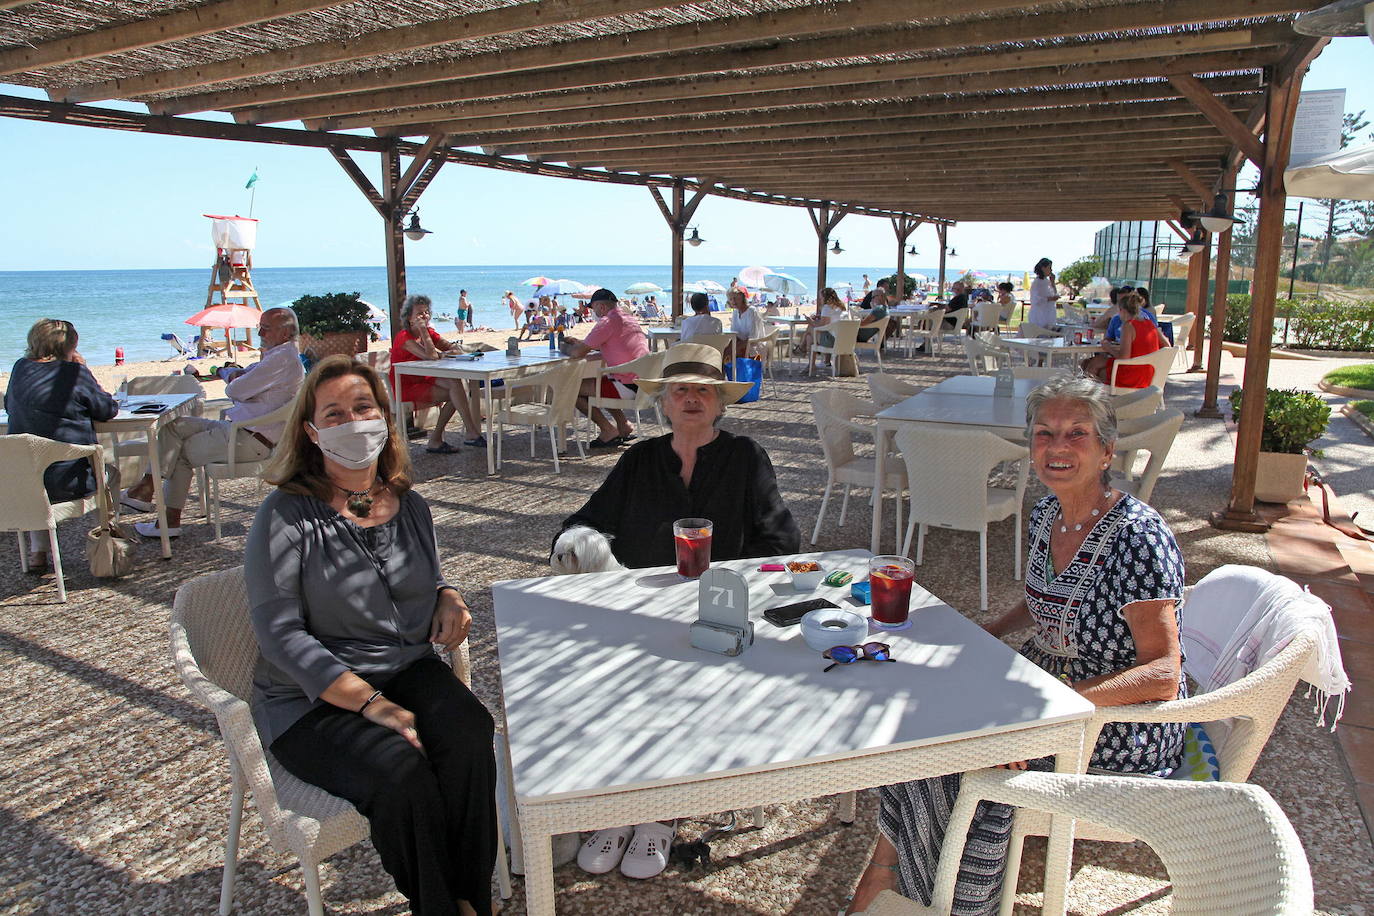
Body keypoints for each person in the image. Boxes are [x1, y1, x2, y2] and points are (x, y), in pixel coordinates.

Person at [848, 375, 1186, 915]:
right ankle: (897, 864)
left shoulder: (1138, 537)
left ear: (1106, 451)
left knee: (961, 753)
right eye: (1044, 433)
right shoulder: (1049, 513)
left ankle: (945, 893)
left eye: (1077, 433)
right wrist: (989, 630)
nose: (1057, 447)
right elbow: (1042, 600)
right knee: (922, 709)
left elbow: (1164, 674)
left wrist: (1051, 710)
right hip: (1047, 685)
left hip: (1117, 721)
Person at [247, 355, 497, 916]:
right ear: (312, 433)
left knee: (470, 734)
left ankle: (470, 897)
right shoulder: (287, 515)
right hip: (311, 699)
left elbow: (426, 577)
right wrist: (371, 705)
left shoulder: (409, 505)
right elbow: (278, 633)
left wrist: (448, 595)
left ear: (384, 416)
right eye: (334, 414)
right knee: (401, 773)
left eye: (362, 407)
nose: (352, 421)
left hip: (407, 668)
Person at [557, 342, 800, 569]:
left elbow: (781, 537)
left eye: (704, 390)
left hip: (721, 593)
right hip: (643, 595)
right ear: (663, 404)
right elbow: (587, 521)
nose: (691, 398)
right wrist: (578, 550)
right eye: (680, 389)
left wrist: (730, 578)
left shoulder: (745, 455)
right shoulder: (640, 458)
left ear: (720, 405)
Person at [121, 307, 304, 538]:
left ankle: (165, 520)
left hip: (249, 438)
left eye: (265, 328)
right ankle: (147, 488)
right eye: (260, 327)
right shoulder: (279, 357)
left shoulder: (282, 359)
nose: (260, 333)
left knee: (179, 454)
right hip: (242, 430)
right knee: (175, 426)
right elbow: (242, 378)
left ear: (286, 333)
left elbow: (235, 389)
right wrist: (236, 376)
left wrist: (235, 377)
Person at [5, 318, 118, 571]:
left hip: (24, 483)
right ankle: (109, 545)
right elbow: (106, 409)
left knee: (33, 471)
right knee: (113, 474)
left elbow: (9, 405)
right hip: (70, 481)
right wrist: (83, 370)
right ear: (70, 346)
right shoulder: (74, 372)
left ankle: (38, 553)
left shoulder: (20, 368)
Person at [389, 294, 484, 453]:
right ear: (409, 317)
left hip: (426, 379)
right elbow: (431, 356)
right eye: (419, 313)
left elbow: (451, 348)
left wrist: (452, 349)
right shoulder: (404, 337)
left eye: (426, 312)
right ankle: (463, 434)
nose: (424, 315)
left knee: (456, 384)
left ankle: (457, 435)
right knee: (456, 393)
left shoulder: (429, 332)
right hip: (406, 386)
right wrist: (425, 332)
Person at [564, 288, 651, 449]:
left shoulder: (607, 322)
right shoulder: (629, 319)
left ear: (601, 307)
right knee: (604, 381)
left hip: (627, 384)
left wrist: (566, 348)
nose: (592, 312)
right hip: (644, 382)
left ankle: (608, 430)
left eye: (593, 308)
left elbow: (577, 353)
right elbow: (611, 342)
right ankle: (623, 425)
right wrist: (581, 342)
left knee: (572, 388)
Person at [1081, 291, 1164, 388]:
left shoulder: (1128, 326)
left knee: (1093, 366)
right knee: (1095, 361)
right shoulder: (1150, 323)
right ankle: (1090, 397)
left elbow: (1124, 358)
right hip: (1149, 373)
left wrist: (1108, 348)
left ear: (1122, 311)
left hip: (1133, 376)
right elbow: (1167, 346)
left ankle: (1090, 398)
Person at [798, 286, 847, 354]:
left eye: (821, 298)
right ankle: (811, 362)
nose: (820, 300)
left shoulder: (827, 307)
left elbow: (821, 326)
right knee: (809, 338)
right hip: (842, 339)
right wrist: (820, 317)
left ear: (825, 298)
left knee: (810, 328)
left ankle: (801, 348)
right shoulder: (840, 307)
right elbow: (830, 321)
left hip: (831, 341)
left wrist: (810, 321)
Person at [728, 287, 766, 359]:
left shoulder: (751, 311)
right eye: (731, 299)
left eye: (736, 298)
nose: (733, 301)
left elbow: (753, 336)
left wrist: (735, 348)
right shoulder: (735, 312)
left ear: (742, 299)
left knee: (729, 353)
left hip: (754, 346)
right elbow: (733, 333)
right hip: (742, 343)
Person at [1027, 258, 1061, 327]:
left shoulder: (1047, 281)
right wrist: (1050, 299)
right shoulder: (1037, 283)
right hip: (1039, 316)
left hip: (1048, 314)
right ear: (1043, 268)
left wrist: (1053, 283)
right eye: (1049, 268)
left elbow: (1054, 293)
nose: (1051, 270)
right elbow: (1036, 300)